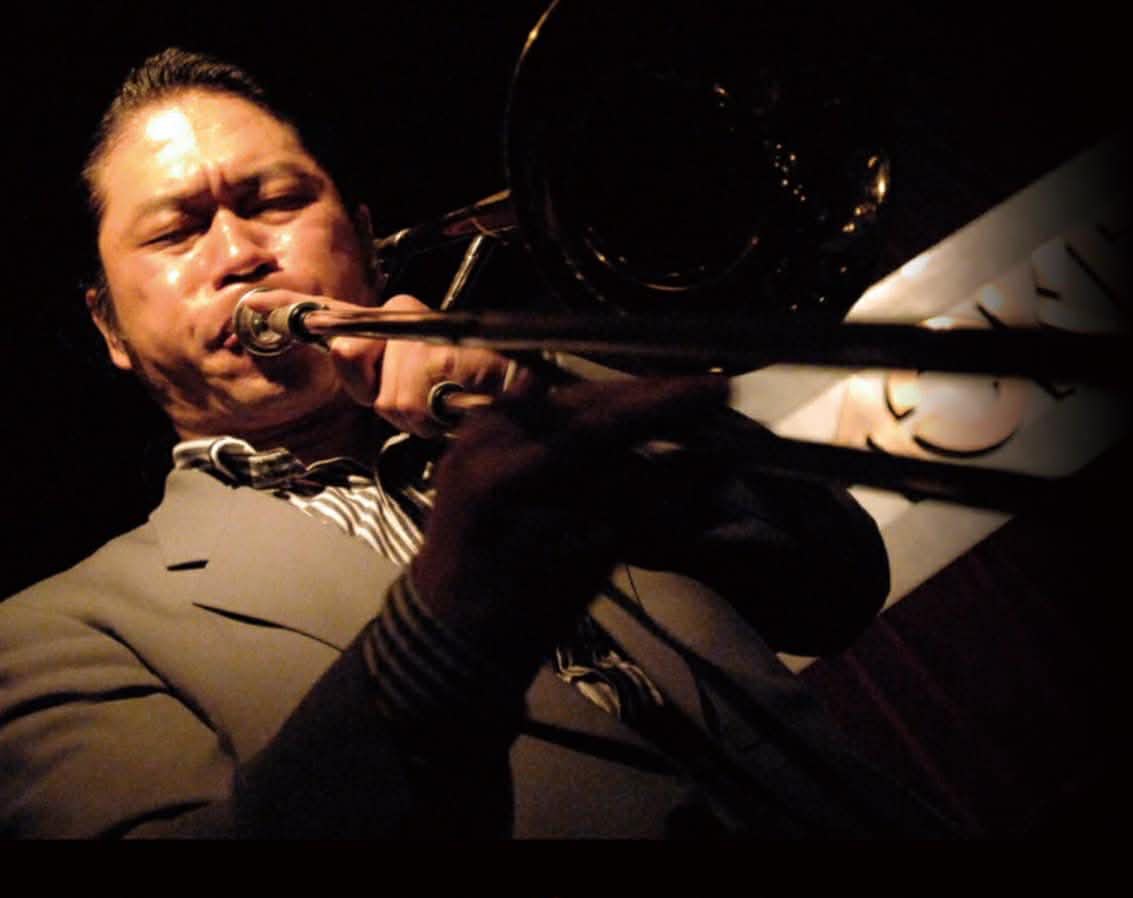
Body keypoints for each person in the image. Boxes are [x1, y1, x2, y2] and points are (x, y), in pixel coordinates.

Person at [0, 47, 953, 838]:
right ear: (109, 326)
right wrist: (449, 622)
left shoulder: (539, 400)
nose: (242, 253)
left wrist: (552, 402)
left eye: (277, 200)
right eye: (177, 232)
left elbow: (838, 578)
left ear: (365, 240)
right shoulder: (51, 636)